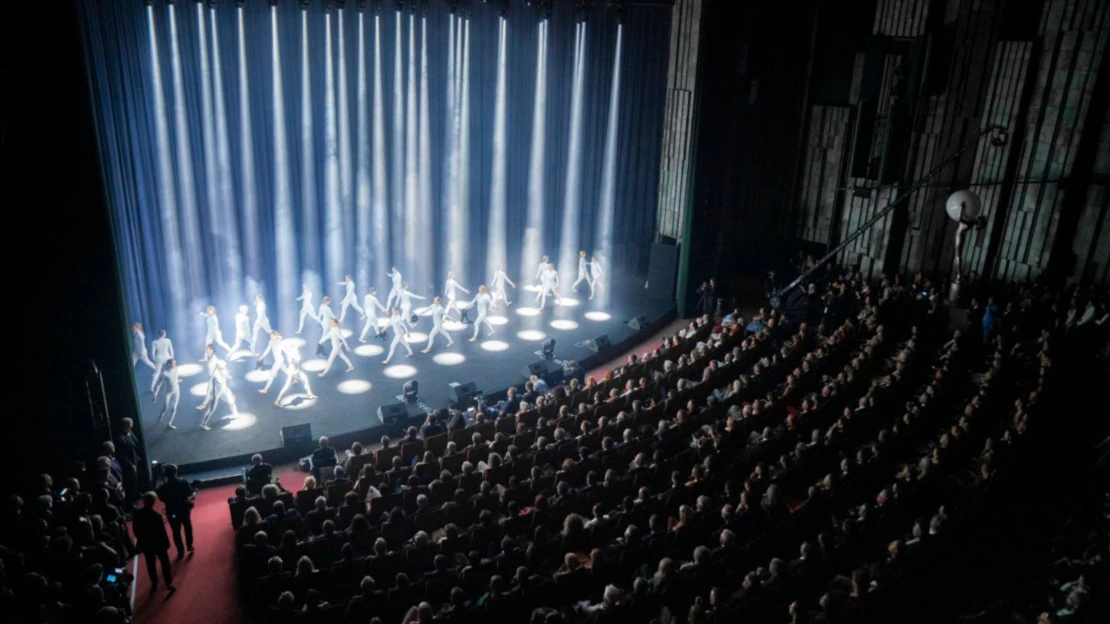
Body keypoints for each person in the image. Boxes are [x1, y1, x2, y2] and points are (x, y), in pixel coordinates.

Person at [132, 491, 175, 596]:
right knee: (165, 563)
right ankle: (168, 583)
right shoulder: (156, 516)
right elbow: (162, 532)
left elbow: (135, 530)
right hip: (158, 543)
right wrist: (166, 544)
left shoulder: (137, 514)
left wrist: (141, 539)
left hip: (146, 544)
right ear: (153, 502)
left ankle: (154, 583)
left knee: (150, 564)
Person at [156, 464, 196, 559]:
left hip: (172, 512)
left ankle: (180, 551)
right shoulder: (183, 482)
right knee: (187, 527)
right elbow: (190, 494)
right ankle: (189, 545)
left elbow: (162, 499)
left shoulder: (163, 488)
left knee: (176, 531)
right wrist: (194, 492)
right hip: (184, 510)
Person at [200, 360, 237, 431]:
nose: (224, 368)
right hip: (216, 393)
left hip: (224, 390)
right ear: (218, 367)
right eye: (222, 367)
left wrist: (229, 377)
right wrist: (214, 397)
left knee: (231, 401)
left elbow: (227, 376)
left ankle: (235, 414)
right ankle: (203, 424)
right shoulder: (215, 376)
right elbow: (212, 388)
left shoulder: (224, 370)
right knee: (211, 409)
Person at [115, 418, 141, 505]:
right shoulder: (120, 438)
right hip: (128, 463)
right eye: (130, 423)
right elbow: (122, 454)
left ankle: (136, 494)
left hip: (134, 459)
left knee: (135, 479)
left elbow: (135, 443)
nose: (132, 424)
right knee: (130, 481)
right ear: (126, 424)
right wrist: (131, 464)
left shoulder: (130, 432)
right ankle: (131, 501)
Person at [155, 359, 181, 429]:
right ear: (169, 364)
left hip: (176, 391)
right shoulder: (164, 373)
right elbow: (158, 384)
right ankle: (162, 414)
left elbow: (175, 378)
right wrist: (155, 395)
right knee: (165, 408)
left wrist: (177, 381)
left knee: (174, 407)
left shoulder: (176, 369)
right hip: (168, 393)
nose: (175, 365)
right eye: (173, 364)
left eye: (175, 363)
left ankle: (169, 423)